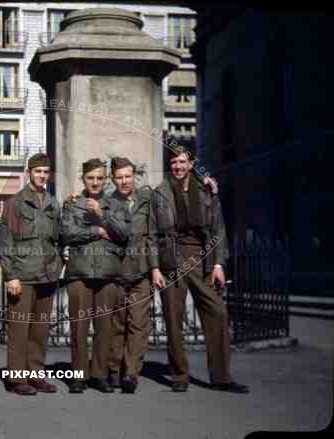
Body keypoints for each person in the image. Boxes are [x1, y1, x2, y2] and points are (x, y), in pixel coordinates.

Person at [148, 146, 249, 393]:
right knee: (173, 319)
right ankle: (180, 375)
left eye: (182, 161)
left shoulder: (207, 190)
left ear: (191, 164)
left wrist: (218, 264)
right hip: (171, 259)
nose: (178, 166)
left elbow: (218, 228)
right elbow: (150, 234)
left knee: (218, 312)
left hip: (201, 259)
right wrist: (154, 268)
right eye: (173, 162)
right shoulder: (159, 193)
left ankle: (221, 377)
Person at [0, 152, 63, 396]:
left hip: (47, 275)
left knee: (39, 329)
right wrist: (10, 276)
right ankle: (16, 378)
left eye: (46, 172)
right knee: (19, 328)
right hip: (22, 276)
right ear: (29, 173)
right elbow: (5, 242)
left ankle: (35, 375)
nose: (42, 176)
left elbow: (58, 238)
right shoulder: (15, 203)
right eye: (38, 171)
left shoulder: (53, 203)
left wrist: (60, 262)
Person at [60, 158, 125, 393]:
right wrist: (96, 230)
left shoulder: (116, 205)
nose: (95, 182)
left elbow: (124, 234)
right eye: (90, 178)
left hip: (107, 274)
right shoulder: (72, 205)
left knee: (104, 327)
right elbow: (66, 233)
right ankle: (78, 376)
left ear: (106, 179)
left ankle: (99, 375)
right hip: (80, 272)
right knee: (78, 327)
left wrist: (102, 215)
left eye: (99, 178)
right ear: (83, 179)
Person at [105, 157, 153, 393]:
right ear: (113, 179)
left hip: (141, 272)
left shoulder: (148, 199)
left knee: (139, 325)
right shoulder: (108, 202)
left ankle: (131, 373)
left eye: (128, 176)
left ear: (134, 175)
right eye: (119, 177)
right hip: (117, 271)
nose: (124, 181)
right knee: (117, 324)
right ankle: (114, 370)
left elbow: (153, 234)